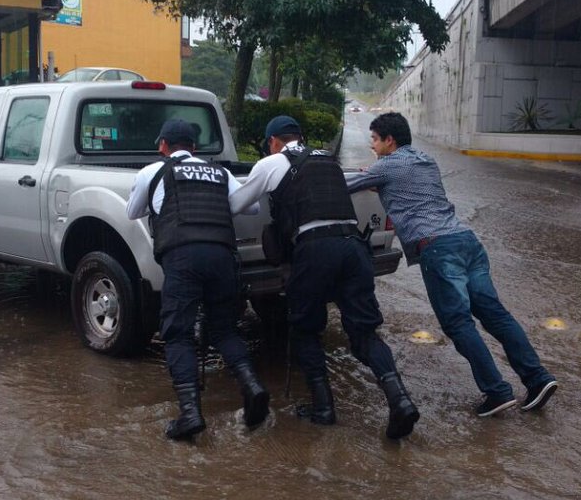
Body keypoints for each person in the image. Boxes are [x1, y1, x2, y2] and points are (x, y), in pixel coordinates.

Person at [348, 112, 558, 416]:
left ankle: (497, 391)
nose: (373, 146)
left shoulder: (387, 166)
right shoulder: (425, 160)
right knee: (495, 315)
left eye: (375, 140)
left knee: (457, 322)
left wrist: (373, 175)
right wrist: (379, 177)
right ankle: (538, 378)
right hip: (466, 240)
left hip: (436, 248)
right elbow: (401, 183)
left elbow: (348, 184)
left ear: (389, 141)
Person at [229, 115, 419, 440]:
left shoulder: (272, 162)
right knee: (364, 333)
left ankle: (324, 409)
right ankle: (400, 400)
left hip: (315, 250)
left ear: (273, 141)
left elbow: (236, 204)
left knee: (304, 330)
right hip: (354, 247)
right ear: (300, 136)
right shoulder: (329, 160)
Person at [126, 118, 269, 440]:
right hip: (222, 256)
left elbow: (132, 212)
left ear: (163, 145)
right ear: (194, 146)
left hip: (182, 257)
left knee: (177, 334)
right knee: (224, 328)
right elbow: (251, 206)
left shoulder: (153, 172)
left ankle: (190, 414)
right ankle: (253, 386)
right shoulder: (220, 172)